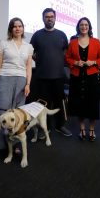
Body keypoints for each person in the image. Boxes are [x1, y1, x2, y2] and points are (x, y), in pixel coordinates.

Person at [0, 17, 33, 165]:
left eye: (20, 26)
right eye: (14, 26)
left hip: (22, 80)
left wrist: (28, 84)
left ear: (23, 29)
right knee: (1, 112)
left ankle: (16, 144)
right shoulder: (3, 43)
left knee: (18, 112)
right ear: (11, 29)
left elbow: (29, 67)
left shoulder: (28, 46)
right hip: (4, 78)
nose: (17, 28)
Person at [30, 8, 72, 137]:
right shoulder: (37, 35)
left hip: (59, 76)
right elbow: (31, 52)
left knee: (60, 102)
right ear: (43, 18)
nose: (49, 18)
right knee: (43, 104)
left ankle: (60, 126)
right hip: (42, 76)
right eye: (47, 16)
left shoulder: (62, 35)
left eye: (51, 16)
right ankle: (45, 128)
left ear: (55, 18)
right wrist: (41, 60)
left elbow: (66, 52)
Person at [65, 17, 100, 141]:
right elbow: (67, 58)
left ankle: (92, 129)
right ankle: (82, 129)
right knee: (79, 104)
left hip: (91, 77)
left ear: (89, 26)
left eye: (86, 24)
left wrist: (93, 62)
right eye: (81, 25)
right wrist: (75, 62)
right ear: (78, 27)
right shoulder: (72, 42)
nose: (84, 27)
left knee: (92, 104)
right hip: (76, 77)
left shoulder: (96, 42)